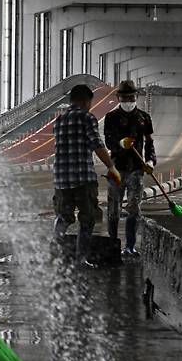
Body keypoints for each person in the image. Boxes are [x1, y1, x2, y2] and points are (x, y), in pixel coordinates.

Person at [53, 84, 121, 267]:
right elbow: (97, 145)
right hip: (83, 179)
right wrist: (111, 167)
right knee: (87, 219)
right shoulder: (87, 118)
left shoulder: (59, 120)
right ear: (85, 100)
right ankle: (80, 260)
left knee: (63, 217)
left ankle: (56, 255)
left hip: (61, 179)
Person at [104, 80, 157, 256]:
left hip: (136, 169)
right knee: (113, 208)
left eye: (131, 97)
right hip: (116, 169)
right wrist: (120, 143)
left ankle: (130, 246)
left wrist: (150, 161)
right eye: (125, 97)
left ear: (136, 97)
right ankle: (113, 244)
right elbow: (109, 142)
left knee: (134, 207)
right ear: (118, 97)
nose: (128, 100)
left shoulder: (144, 118)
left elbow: (149, 143)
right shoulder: (111, 117)